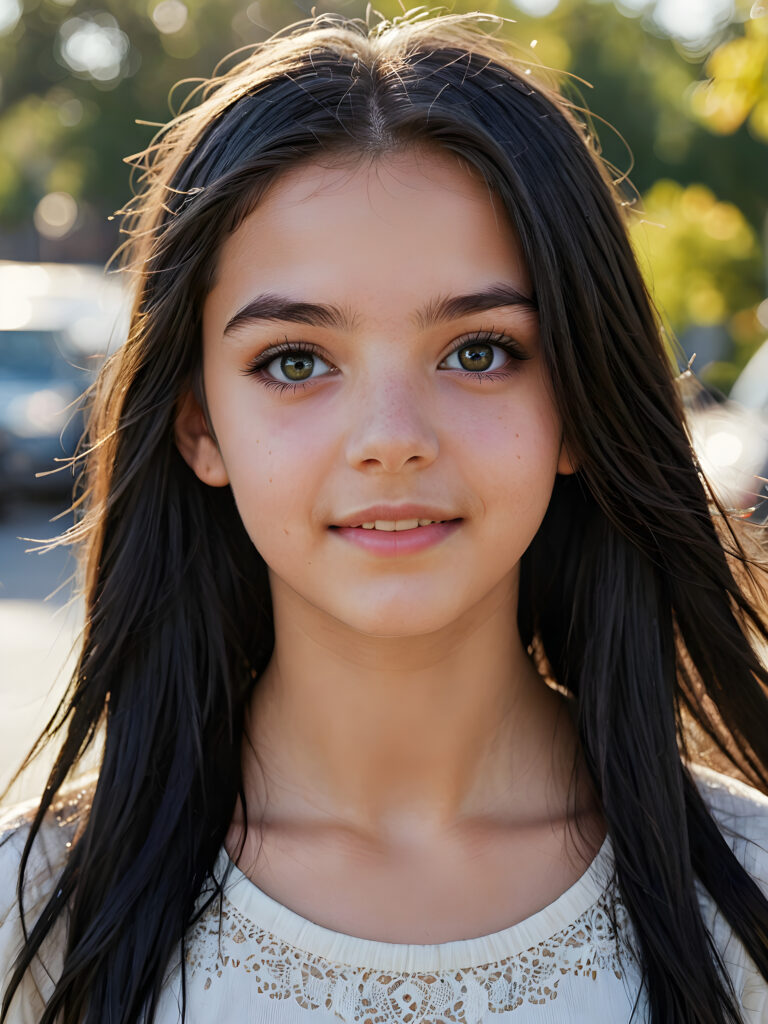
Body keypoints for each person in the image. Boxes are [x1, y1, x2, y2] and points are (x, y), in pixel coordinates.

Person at [1, 9, 768, 1023]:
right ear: (200, 426)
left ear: (579, 401)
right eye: (295, 362)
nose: (391, 438)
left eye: (480, 351)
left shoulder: (745, 902)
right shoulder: (37, 919)